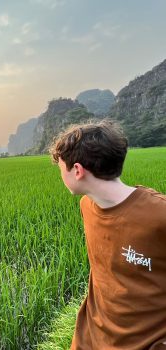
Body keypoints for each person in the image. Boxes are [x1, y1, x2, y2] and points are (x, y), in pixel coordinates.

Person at [50, 120, 166, 349]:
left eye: (61, 167)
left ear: (77, 170)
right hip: (89, 337)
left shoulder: (159, 214)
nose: (60, 174)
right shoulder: (87, 206)